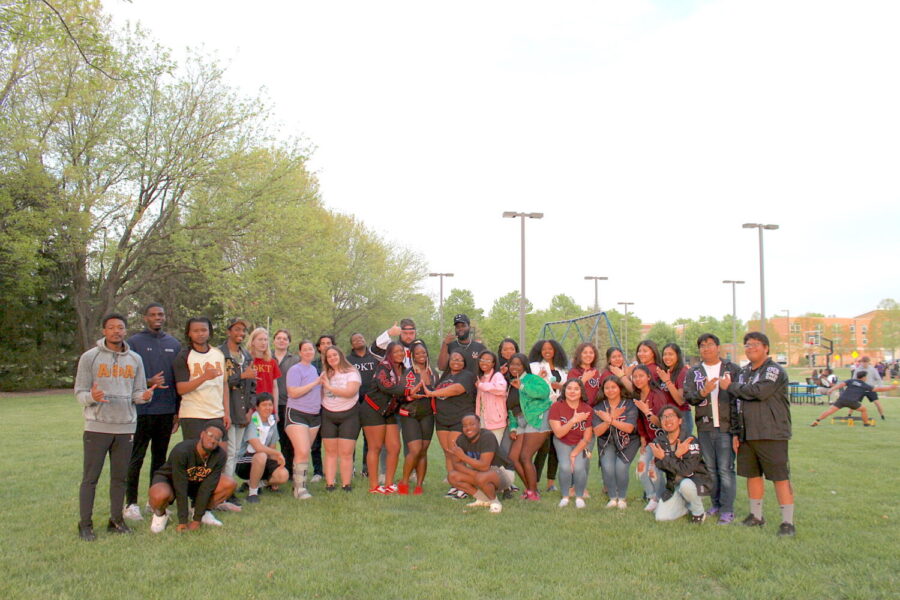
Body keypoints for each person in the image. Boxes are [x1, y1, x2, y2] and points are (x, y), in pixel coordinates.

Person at [74, 313, 154, 541]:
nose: (116, 331)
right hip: (97, 427)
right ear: (104, 331)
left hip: (126, 427)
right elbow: (79, 392)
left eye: (120, 327)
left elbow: (137, 393)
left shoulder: (135, 359)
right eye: (111, 328)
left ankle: (116, 521)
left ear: (125, 331)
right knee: (91, 478)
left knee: (120, 478)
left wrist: (145, 396)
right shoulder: (90, 357)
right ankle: (85, 524)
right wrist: (92, 396)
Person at [720, 332, 796, 537]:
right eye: (746, 344)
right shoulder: (744, 372)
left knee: (780, 477)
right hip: (747, 434)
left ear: (766, 348)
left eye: (755, 344)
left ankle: (787, 522)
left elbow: (758, 392)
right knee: (752, 475)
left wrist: (731, 387)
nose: (750, 347)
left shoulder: (773, 370)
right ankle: (756, 515)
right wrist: (736, 433)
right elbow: (736, 404)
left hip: (771, 433)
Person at [124, 303, 181, 522]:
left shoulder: (173, 344)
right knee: (136, 458)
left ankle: (153, 501)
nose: (158, 318)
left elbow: (177, 380)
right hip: (142, 411)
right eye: (153, 315)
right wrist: (148, 381)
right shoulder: (134, 343)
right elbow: (126, 376)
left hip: (166, 411)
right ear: (145, 317)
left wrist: (177, 411)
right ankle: (130, 504)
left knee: (159, 459)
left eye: (161, 314)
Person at [683, 333, 742, 525]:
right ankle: (715, 504)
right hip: (705, 426)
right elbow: (689, 397)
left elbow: (741, 398)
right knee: (710, 469)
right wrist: (703, 392)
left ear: (718, 347)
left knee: (725, 469)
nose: (706, 348)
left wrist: (738, 431)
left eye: (709, 344)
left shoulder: (732, 369)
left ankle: (727, 509)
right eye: (702, 345)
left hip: (726, 427)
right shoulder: (695, 372)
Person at [148, 423, 236, 532]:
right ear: (202, 434)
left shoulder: (220, 455)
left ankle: (202, 512)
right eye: (210, 435)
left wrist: (197, 520)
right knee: (159, 495)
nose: (213, 440)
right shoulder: (182, 450)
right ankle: (160, 516)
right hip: (171, 480)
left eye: (217, 439)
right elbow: (180, 486)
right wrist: (183, 521)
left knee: (229, 483)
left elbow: (208, 487)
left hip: (196, 483)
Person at [424, 350, 477, 499]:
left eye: (460, 360)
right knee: (448, 453)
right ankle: (455, 485)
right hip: (442, 420)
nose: (456, 361)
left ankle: (464, 487)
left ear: (464, 363)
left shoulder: (467, 376)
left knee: (457, 454)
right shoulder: (444, 377)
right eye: (454, 359)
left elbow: (456, 389)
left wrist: (432, 393)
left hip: (458, 419)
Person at [650, 406, 711, 523]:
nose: (667, 420)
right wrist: (676, 455)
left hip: (694, 483)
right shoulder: (659, 442)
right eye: (664, 417)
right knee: (661, 518)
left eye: (671, 416)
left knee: (686, 485)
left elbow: (686, 471)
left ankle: (698, 512)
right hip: (674, 486)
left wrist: (665, 458)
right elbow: (659, 465)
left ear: (680, 420)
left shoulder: (690, 440)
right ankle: (687, 506)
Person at [504, 353, 552, 500]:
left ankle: (532, 493)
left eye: (518, 364)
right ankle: (531, 490)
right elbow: (512, 408)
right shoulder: (511, 384)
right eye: (512, 364)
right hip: (520, 422)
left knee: (525, 456)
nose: (514, 367)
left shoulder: (532, 379)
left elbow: (544, 393)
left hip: (537, 419)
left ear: (524, 365)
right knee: (513, 457)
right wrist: (513, 427)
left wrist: (523, 386)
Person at [173, 317, 229, 442]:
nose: (200, 334)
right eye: (196, 331)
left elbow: (224, 384)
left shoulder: (218, 354)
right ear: (189, 333)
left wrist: (227, 413)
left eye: (204, 330)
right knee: (196, 455)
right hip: (193, 414)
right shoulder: (184, 356)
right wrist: (204, 377)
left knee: (219, 455)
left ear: (209, 332)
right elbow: (181, 389)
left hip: (216, 414)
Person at [361, 341, 406, 494]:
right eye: (396, 351)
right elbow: (386, 386)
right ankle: (374, 486)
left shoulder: (403, 369)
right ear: (389, 354)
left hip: (389, 411)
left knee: (394, 447)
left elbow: (401, 393)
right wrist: (408, 390)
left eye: (401, 351)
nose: (400, 354)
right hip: (372, 409)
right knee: (376, 447)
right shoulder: (383, 366)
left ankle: (388, 484)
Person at [446, 415, 515, 513]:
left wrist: (463, 457)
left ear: (479, 424)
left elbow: (484, 466)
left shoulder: (487, 436)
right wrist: (474, 474)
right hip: (481, 473)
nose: (468, 428)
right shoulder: (461, 439)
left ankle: (495, 503)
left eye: (472, 424)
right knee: (452, 476)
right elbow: (457, 465)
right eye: (465, 426)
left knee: (481, 477)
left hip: (504, 472)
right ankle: (483, 499)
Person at [219, 318, 255, 488]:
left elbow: (252, 385)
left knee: (235, 452)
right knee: (229, 452)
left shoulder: (246, 356)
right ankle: (226, 488)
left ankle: (228, 486)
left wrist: (250, 410)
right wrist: (241, 376)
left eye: (243, 330)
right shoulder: (219, 354)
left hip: (242, 411)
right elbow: (220, 383)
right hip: (226, 409)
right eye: (237, 329)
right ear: (229, 331)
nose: (240, 333)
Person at [593, 375, 639, 509]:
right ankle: (613, 497)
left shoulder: (629, 404)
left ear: (619, 388)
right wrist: (612, 418)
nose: (610, 390)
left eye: (613, 387)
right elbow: (597, 431)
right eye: (607, 388)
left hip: (628, 441)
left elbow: (629, 428)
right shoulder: (600, 406)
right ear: (603, 390)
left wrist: (610, 420)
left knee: (621, 467)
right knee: (607, 468)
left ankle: (622, 498)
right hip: (607, 440)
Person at [284, 340, 323, 499]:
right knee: (302, 450)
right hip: (297, 413)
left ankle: (300, 484)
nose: (308, 352)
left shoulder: (314, 369)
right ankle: (300, 489)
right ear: (300, 352)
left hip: (314, 415)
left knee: (305, 451)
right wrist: (315, 382)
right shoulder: (295, 369)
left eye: (311, 349)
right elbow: (293, 393)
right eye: (305, 349)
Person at [320, 346, 362, 491]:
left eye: (334, 355)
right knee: (330, 452)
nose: (332, 358)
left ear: (340, 355)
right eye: (329, 356)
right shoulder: (325, 374)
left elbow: (350, 392)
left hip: (349, 415)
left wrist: (330, 388)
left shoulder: (352, 372)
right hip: (328, 415)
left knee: (346, 452)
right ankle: (330, 483)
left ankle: (346, 484)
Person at [235, 393, 289, 502]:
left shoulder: (272, 421)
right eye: (264, 405)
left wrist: (275, 467)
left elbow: (272, 447)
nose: (268, 408)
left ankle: (253, 483)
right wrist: (278, 453)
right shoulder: (252, 421)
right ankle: (252, 493)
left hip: (262, 459)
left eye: (270, 405)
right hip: (243, 461)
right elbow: (257, 447)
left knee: (283, 475)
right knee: (261, 455)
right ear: (257, 407)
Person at [529, 339, 568, 492]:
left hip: (558, 411)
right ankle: (534, 482)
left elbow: (567, 388)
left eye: (550, 349)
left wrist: (559, 386)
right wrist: (539, 377)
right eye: (544, 349)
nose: (547, 351)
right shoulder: (534, 366)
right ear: (539, 351)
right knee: (542, 448)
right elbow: (531, 385)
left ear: (555, 351)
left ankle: (550, 483)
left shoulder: (561, 369)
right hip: (542, 411)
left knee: (555, 448)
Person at [397, 342, 435, 495]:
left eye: (423, 353)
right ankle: (404, 482)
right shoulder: (408, 373)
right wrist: (409, 396)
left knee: (423, 451)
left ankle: (419, 485)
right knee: (415, 449)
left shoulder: (434, 373)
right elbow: (400, 396)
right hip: (410, 414)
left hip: (427, 415)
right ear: (412, 356)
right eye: (418, 353)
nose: (421, 356)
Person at [548, 379, 593, 508]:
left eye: (576, 389)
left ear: (581, 392)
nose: (572, 391)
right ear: (564, 390)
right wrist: (574, 420)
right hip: (562, 441)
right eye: (569, 388)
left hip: (581, 443)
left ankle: (579, 497)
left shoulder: (587, 409)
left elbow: (587, 436)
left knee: (579, 467)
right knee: (565, 467)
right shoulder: (556, 406)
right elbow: (559, 433)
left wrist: (574, 453)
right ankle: (565, 496)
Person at [631, 365, 668, 512]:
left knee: (654, 470)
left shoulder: (657, 395)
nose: (638, 379)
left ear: (648, 377)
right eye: (635, 377)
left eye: (641, 376)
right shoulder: (638, 396)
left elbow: (662, 422)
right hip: (649, 440)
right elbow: (640, 421)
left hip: (662, 440)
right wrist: (642, 439)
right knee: (641, 469)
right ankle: (653, 496)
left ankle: (660, 498)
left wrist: (647, 411)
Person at [346, 332, 381, 477]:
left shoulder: (374, 358)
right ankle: (350, 468)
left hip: (371, 403)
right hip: (352, 402)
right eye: (355, 339)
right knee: (352, 436)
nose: (359, 340)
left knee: (369, 437)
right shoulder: (347, 361)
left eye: (361, 338)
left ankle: (366, 469)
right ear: (352, 344)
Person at [810, 370, 896, 427]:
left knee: (830, 411)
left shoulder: (851, 381)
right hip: (852, 402)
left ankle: (817, 420)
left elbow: (840, 385)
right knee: (864, 409)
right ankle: (866, 423)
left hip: (842, 400)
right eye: (866, 377)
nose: (866, 378)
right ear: (863, 377)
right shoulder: (864, 385)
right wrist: (891, 388)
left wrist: (832, 389)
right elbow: (877, 389)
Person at [272, 329, 299, 475]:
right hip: (269, 405)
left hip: (290, 404)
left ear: (289, 342)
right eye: (279, 338)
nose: (282, 341)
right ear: (274, 340)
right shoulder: (266, 357)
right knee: (270, 439)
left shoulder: (295, 360)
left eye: (285, 339)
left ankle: (288, 470)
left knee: (288, 440)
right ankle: (270, 469)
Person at [309, 334, 335, 481]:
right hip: (316, 407)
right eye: (323, 343)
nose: (325, 345)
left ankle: (339, 470)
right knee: (316, 442)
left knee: (334, 441)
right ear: (318, 347)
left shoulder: (338, 365)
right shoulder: (313, 365)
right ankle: (318, 472)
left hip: (334, 407)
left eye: (329, 343)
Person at [475, 350, 508, 443]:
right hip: (482, 419)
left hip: (496, 420)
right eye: (482, 359)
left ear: (493, 363)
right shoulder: (481, 377)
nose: (484, 362)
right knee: (484, 448)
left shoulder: (497, 375)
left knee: (494, 448)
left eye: (488, 360)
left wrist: (481, 386)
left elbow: (501, 389)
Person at [660, 342, 691, 436]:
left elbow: (680, 400)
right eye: (664, 354)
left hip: (681, 416)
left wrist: (668, 382)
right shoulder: (666, 372)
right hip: (667, 416)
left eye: (670, 354)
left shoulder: (683, 372)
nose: (667, 357)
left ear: (678, 355)